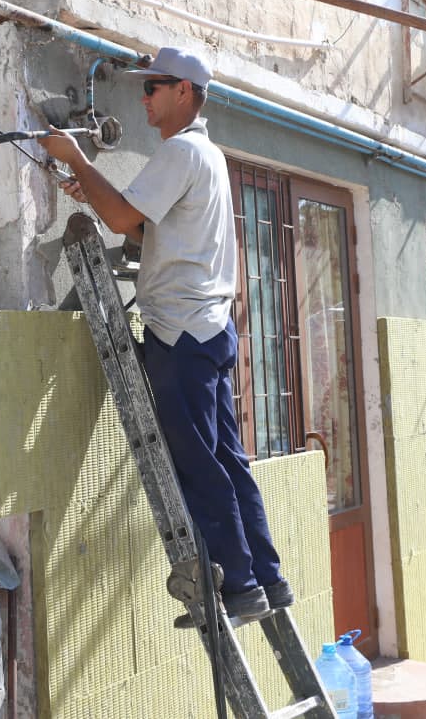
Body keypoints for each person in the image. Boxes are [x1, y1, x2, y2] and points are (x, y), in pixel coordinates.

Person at [39, 47, 293, 628]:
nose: (143, 98)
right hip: (207, 329)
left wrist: (77, 156)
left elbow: (126, 222)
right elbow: (137, 218)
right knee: (227, 460)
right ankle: (267, 578)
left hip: (181, 332)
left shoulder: (181, 151)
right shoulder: (205, 154)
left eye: (152, 88)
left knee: (198, 465)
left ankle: (241, 587)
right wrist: (95, 189)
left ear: (184, 92)